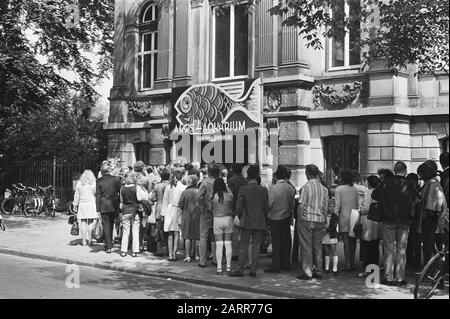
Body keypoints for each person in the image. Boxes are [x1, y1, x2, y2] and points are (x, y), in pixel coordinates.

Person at [372, 161, 417, 286]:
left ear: (395, 170)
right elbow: (415, 202)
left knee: (389, 249)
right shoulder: (411, 184)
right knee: (402, 249)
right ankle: (400, 278)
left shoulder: (387, 182)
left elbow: (375, 195)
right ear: (405, 170)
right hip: (405, 220)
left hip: (388, 219)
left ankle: (388, 277)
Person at [230, 165, 269, 278]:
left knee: (244, 245)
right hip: (259, 220)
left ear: (248, 176)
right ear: (257, 176)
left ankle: (240, 268)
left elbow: (238, 207)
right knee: (256, 246)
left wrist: (241, 216)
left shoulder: (244, 189)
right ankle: (253, 269)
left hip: (246, 220)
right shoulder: (263, 190)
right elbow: (266, 208)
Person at [296, 164, 329, 280]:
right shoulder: (324, 189)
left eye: (305, 172)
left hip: (307, 219)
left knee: (306, 246)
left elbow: (301, 205)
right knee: (317, 247)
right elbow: (325, 208)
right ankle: (319, 270)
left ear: (308, 174)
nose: (305, 174)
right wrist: (325, 221)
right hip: (319, 220)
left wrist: (299, 219)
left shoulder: (306, 187)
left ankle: (307, 271)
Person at [416, 162, 448, 266]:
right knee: (431, 247)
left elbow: (432, 207)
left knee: (430, 248)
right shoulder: (432, 183)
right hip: (433, 220)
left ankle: (431, 271)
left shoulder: (432, 184)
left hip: (431, 221)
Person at [265, 166, 295, 273]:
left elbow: (269, 204)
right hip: (286, 217)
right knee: (286, 241)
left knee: (276, 242)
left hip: (274, 217)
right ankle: (286, 263)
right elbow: (292, 205)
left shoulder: (273, 189)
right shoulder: (290, 188)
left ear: (276, 177)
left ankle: (276, 265)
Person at [334, 169, 359, 271]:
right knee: (352, 241)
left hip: (343, 216)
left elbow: (337, 206)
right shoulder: (354, 189)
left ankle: (348, 264)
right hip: (353, 216)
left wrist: (333, 218)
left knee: (346, 241)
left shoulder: (339, 189)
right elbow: (357, 204)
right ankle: (352, 263)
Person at [358, 175, 381, 277]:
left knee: (368, 247)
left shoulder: (369, 193)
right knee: (375, 247)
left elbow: (366, 208)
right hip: (378, 222)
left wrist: (360, 210)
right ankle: (375, 268)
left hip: (368, 221)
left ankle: (368, 269)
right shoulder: (381, 192)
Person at [96, 163, 122, 253]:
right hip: (114, 204)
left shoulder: (99, 180)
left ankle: (108, 246)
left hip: (104, 205)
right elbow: (120, 191)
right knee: (112, 225)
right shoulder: (116, 179)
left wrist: (98, 208)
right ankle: (109, 243)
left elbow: (98, 195)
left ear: (102, 172)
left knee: (106, 226)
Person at [198, 164, 220, 267]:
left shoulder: (205, 182)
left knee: (203, 236)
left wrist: (204, 206)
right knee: (215, 236)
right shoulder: (219, 182)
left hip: (206, 212)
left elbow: (199, 196)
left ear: (209, 172)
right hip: (217, 211)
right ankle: (216, 259)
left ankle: (202, 261)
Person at [161, 170, 186, 261]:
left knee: (170, 233)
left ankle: (170, 254)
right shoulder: (183, 187)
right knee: (177, 233)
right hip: (179, 210)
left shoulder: (168, 187)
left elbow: (165, 201)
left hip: (169, 210)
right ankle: (174, 254)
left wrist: (163, 214)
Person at [211, 178, 234, 275]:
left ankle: (219, 268)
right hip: (228, 219)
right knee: (228, 244)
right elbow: (232, 196)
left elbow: (210, 208)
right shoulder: (229, 196)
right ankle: (228, 267)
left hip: (217, 219)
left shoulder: (213, 197)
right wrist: (226, 186)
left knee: (219, 245)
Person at [178, 175, 202, 263]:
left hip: (186, 215)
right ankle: (197, 255)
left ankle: (187, 255)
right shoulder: (199, 191)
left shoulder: (185, 192)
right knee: (197, 236)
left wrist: (179, 217)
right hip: (197, 216)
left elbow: (180, 205)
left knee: (187, 236)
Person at [227, 164, 248, 261]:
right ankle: (242, 252)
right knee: (243, 232)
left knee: (234, 232)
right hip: (244, 207)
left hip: (234, 207)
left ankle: (235, 253)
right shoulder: (245, 180)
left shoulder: (231, 180)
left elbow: (230, 195)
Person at [73, 170, 98, 247]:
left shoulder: (79, 184)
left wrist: (75, 204)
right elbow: (96, 193)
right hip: (91, 204)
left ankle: (84, 241)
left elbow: (76, 195)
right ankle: (90, 239)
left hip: (82, 204)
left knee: (83, 223)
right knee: (92, 221)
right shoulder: (93, 184)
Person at [119, 172, 140, 257]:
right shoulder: (136, 188)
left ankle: (124, 250)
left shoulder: (122, 188)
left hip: (125, 211)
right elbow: (139, 199)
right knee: (135, 231)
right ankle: (135, 251)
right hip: (135, 211)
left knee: (125, 232)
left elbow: (121, 201)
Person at [151, 169, 171, 257]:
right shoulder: (171, 185)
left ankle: (161, 250)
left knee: (159, 230)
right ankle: (169, 250)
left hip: (159, 208)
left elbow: (152, 198)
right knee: (169, 230)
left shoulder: (157, 186)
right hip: (169, 209)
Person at [405, 173, 422, 270]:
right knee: (415, 242)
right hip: (415, 219)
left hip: (413, 219)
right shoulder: (418, 189)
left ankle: (413, 261)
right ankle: (414, 261)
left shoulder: (413, 191)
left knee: (413, 242)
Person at [322, 191, 339, 275]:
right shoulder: (323, 216)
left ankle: (335, 268)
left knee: (334, 252)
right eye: (329, 206)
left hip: (332, 236)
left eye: (333, 207)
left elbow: (333, 227)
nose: (331, 208)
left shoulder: (335, 216)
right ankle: (326, 268)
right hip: (324, 236)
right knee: (326, 252)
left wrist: (326, 230)